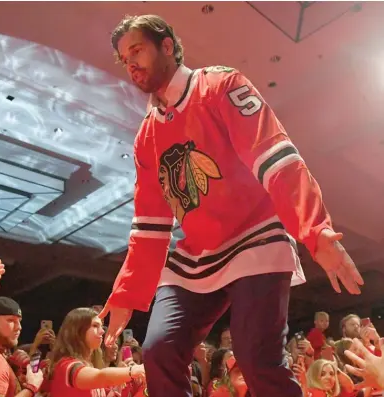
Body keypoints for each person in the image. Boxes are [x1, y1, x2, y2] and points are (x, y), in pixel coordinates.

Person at [99, 13, 364, 397]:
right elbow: (149, 224)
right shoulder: (146, 138)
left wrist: (314, 229)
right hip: (198, 254)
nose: (131, 64)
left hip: (255, 235)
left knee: (256, 358)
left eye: (137, 50)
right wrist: (127, 293)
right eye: (125, 59)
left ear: (168, 46)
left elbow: (276, 157)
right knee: (158, 350)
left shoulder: (221, 84)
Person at [44, 308, 145, 397]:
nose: (102, 331)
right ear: (78, 330)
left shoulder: (88, 366)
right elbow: (100, 376)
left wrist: (118, 384)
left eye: (101, 326)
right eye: (95, 325)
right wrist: (134, 370)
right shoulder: (66, 365)